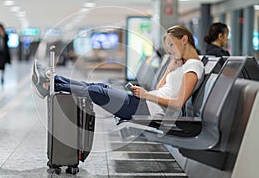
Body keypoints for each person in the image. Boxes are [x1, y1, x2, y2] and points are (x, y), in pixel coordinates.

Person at [32, 25, 204, 119]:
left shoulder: (194, 66)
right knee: (97, 86)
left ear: (184, 40)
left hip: (146, 109)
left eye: (172, 46)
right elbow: (161, 87)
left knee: (96, 92)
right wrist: (170, 69)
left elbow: (177, 104)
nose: (170, 51)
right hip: (144, 103)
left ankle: (50, 82)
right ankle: (52, 79)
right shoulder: (184, 65)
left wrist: (146, 96)